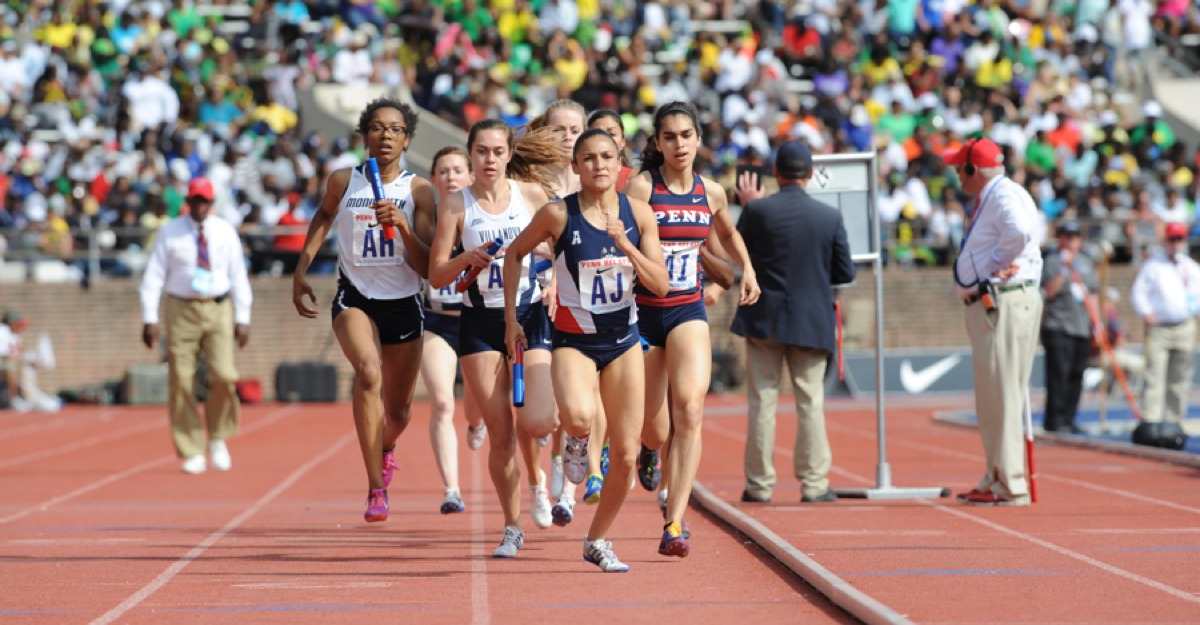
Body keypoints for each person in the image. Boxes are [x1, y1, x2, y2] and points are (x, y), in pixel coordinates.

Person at [503, 128, 669, 572]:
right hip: (573, 341)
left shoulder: (639, 215)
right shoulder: (558, 214)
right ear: (575, 167)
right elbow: (514, 255)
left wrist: (627, 245)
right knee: (576, 416)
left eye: (607, 157)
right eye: (589, 158)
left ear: (620, 165)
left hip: (624, 343)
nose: (598, 165)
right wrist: (510, 318)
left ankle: (597, 539)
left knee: (629, 455)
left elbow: (661, 283)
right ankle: (575, 444)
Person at [624, 100, 761, 557]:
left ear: (698, 140)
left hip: (687, 311)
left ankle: (675, 521)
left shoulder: (712, 193)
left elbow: (729, 233)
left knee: (691, 408)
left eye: (687, 135)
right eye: (670, 136)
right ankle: (649, 450)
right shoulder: (642, 189)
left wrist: (748, 271)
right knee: (655, 429)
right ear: (658, 143)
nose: (679, 144)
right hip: (643, 313)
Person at [291, 98, 436, 522]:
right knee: (368, 371)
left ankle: (386, 447)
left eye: (395, 129)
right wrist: (301, 270)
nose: (386, 135)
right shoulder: (342, 180)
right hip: (354, 297)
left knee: (400, 413)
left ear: (407, 139)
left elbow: (427, 265)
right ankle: (376, 488)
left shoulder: (419, 190)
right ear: (365, 135)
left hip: (404, 303)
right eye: (376, 127)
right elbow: (322, 216)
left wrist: (404, 227)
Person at [428, 118, 560, 557]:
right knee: (501, 433)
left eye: (498, 151)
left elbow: (564, 248)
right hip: (480, 323)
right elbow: (436, 274)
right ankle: (512, 526)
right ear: (471, 156)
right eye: (481, 151)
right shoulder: (455, 205)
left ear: (508, 154)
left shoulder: (530, 196)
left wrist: (550, 272)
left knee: (539, 420)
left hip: (530, 314)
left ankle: (556, 462)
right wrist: (467, 257)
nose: (490, 159)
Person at [732, 141, 854, 506]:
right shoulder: (829, 216)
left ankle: (759, 485)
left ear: (776, 174)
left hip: (763, 318)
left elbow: (740, 256)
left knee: (762, 402)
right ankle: (814, 484)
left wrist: (749, 205)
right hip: (810, 320)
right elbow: (844, 271)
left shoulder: (758, 212)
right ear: (811, 174)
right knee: (811, 402)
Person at [944, 137, 1044, 506]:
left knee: (1001, 395)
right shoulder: (1001, 194)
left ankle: (1009, 483)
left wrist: (994, 262)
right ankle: (997, 476)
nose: (957, 174)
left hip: (1001, 302)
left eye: (960, 168)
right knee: (994, 396)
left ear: (973, 170)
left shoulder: (1003, 196)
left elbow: (1019, 232)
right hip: (998, 301)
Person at [139, 176, 253, 475]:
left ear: (212, 203)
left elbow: (238, 274)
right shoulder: (170, 232)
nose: (200, 205)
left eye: (205, 200)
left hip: (218, 307)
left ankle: (217, 437)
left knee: (224, 375)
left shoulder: (225, 231)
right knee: (181, 379)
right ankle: (191, 448)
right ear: (188, 201)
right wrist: (149, 318)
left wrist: (243, 317)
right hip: (181, 308)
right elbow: (153, 277)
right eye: (195, 200)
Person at [421, 146, 486, 514]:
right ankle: (452, 489)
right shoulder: (425, 220)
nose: (450, 177)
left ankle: (476, 422)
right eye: (443, 171)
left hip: (478, 322)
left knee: (475, 407)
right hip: (438, 321)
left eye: (457, 170)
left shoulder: (482, 215)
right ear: (433, 179)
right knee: (443, 402)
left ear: (471, 175)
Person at [1129, 221, 1200, 448]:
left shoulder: (1189, 266)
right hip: (1160, 328)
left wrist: (1193, 311)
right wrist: (1146, 313)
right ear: (1165, 240)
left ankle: (1173, 421)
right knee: (1154, 375)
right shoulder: (1153, 265)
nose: (1176, 243)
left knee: (1180, 377)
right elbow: (1138, 293)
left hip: (1184, 326)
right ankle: (1150, 421)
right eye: (1173, 239)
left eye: (1180, 239)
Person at [1040, 221, 1100, 434]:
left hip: (1081, 327)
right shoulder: (1052, 261)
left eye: (1075, 236)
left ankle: (1069, 418)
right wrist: (1063, 268)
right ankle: (1054, 420)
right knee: (1058, 375)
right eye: (1067, 236)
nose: (1072, 240)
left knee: (1077, 375)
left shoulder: (1086, 262)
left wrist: (1097, 323)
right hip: (1059, 326)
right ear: (1061, 238)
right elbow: (1048, 291)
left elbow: (1092, 293)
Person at [0, 310, 62, 413]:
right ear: (11, 323)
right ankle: (14, 399)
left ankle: (29, 397)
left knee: (27, 366)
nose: (19, 326)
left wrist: (28, 358)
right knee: (11, 367)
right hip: (4, 363)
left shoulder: (12, 334)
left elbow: (17, 351)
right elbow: (6, 356)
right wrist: (22, 360)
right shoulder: (2, 331)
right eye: (17, 323)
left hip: (9, 362)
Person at [587, 108, 635, 191]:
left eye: (612, 134)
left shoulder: (636, 180)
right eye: (598, 133)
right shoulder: (579, 179)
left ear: (623, 140)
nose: (605, 138)